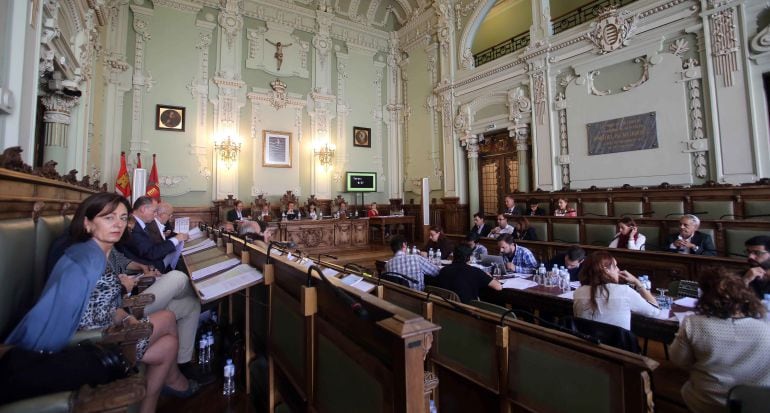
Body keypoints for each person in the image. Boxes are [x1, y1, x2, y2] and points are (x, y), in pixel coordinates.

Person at [5, 193, 199, 413]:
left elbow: (107, 304)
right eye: (109, 218)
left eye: (123, 218)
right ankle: (173, 382)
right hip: (93, 342)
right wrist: (124, 316)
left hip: (110, 327)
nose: (118, 224)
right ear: (87, 223)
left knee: (169, 341)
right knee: (169, 319)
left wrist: (126, 317)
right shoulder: (83, 262)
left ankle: (157, 399)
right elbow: (61, 326)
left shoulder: (98, 250)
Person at [117, 196, 202, 377]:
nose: (122, 224)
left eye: (123, 219)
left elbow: (125, 263)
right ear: (89, 224)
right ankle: (203, 292)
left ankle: (183, 363)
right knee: (179, 277)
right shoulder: (86, 255)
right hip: (127, 309)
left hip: (139, 286)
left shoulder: (129, 232)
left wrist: (142, 269)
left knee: (192, 305)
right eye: (115, 218)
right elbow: (148, 253)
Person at [669, 270, 770, 413]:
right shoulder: (765, 325)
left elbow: (678, 360)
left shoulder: (693, 323)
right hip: (756, 404)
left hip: (706, 402)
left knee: (687, 388)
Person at [572, 251, 660, 330]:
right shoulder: (624, 291)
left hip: (587, 344)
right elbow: (655, 311)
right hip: (617, 346)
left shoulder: (578, 292)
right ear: (606, 270)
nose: (618, 270)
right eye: (615, 267)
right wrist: (638, 283)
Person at [436, 245, 502, 303]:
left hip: (446, 307)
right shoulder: (475, 271)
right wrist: (489, 277)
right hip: (468, 310)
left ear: (453, 256)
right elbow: (498, 287)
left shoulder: (443, 270)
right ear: (469, 258)